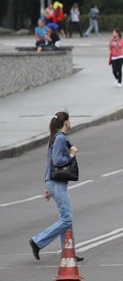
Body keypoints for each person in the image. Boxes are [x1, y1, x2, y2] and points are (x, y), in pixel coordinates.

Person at [29, 111, 83, 263]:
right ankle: (37, 241)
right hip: (56, 183)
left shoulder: (57, 138)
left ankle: (69, 252)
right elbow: (58, 162)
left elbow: (49, 164)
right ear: (65, 122)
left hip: (55, 183)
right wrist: (71, 155)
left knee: (66, 218)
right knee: (67, 219)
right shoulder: (59, 139)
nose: (70, 122)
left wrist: (49, 187)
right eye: (69, 120)